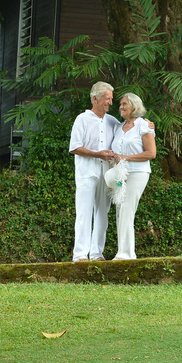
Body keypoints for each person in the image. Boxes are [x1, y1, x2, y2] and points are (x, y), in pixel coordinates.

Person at [68, 81, 119, 263]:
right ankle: (80, 255)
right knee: (84, 212)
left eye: (111, 99)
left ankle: (97, 254)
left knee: (102, 214)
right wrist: (97, 154)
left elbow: (129, 131)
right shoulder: (82, 119)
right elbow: (74, 147)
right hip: (86, 173)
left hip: (106, 175)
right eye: (107, 99)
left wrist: (147, 125)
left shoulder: (113, 121)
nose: (110, 103)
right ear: (95, 98)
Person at [109, 92, 156, 260]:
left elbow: (151, 153)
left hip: (138, 172)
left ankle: (126, 254)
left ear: (134, 107)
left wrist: (126, 158)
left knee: (128, 208)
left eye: (124, 104)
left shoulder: (143, 126)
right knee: (120, 209)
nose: (120, 107)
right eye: (120, 104)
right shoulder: (118, 127)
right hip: (120, 173)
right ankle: (123, 251)